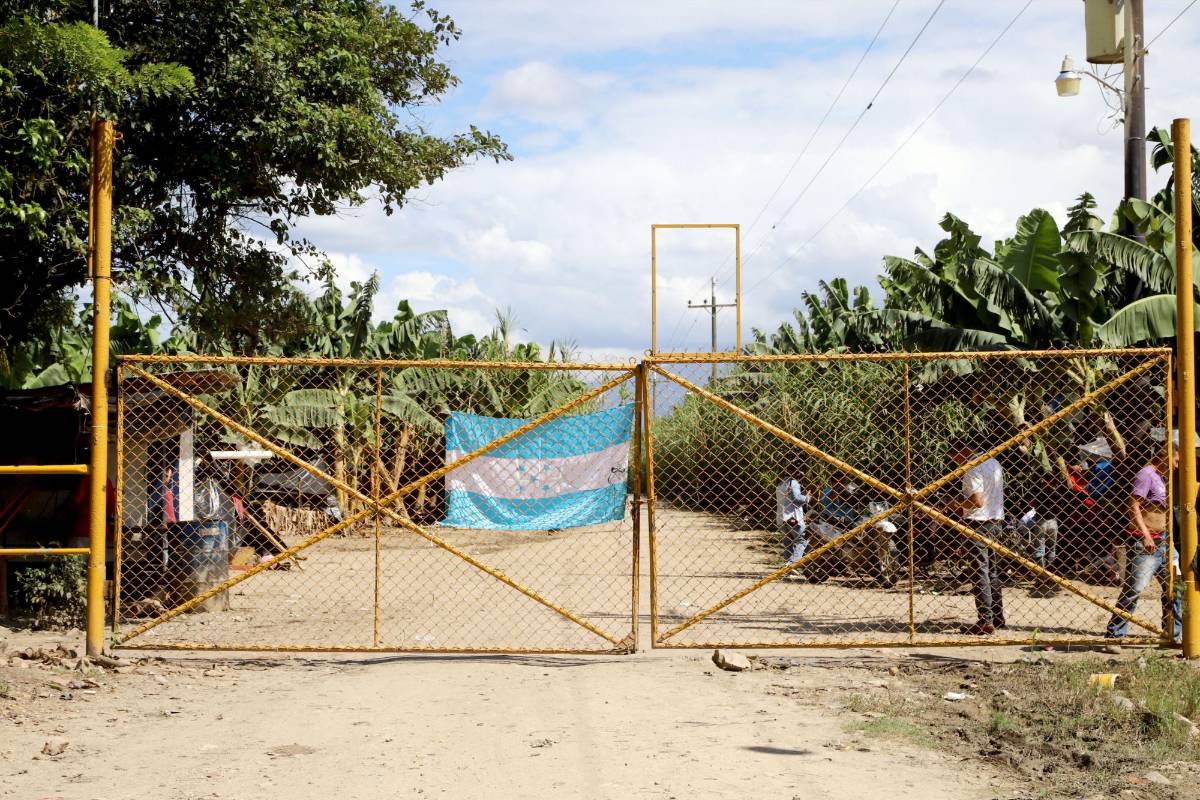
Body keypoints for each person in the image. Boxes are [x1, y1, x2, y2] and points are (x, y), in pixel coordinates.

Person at [1104, 445, 1183, 648]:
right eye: (1176, 461)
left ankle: (1172, 634)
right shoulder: (1145, 474)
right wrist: (1146, 535)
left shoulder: (1161, 476)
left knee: (1176, 587)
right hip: (1147, 544)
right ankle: (1114, 634)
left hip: (1165, 542)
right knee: (1134, 589)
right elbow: (1134, 506)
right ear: (1164, 458)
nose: (1177, 466)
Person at [947, 437, 1005, 635]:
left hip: (978, 523)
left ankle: (985, 620)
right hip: (996, 521)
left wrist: (955, 504)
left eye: (954, 456)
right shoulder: (993, 462)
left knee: (980, 571)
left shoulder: (972, 467)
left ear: (961, 450)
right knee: (993, 571)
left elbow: (976, 501)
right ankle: (997, 616)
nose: (955, 462)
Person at [775, 458, 811, 566]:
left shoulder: (780, 483)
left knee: (788, 543)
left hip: (781, 518)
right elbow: (797, 498)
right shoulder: (793, 482)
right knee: (802, 540)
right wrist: (807, 498)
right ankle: (792, 563)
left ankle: (788, 565)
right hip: (792, 518)